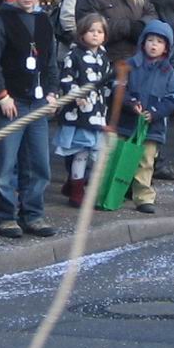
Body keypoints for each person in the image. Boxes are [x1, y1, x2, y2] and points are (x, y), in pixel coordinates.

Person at [0, 0, 59, 238]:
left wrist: (52, 90)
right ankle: (4, 216)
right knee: (5, 164)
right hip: (11, 102)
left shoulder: (43, 20)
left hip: (38, 102)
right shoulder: (2, 20)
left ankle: (33, 214)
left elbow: (51, 60)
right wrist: (2, 94)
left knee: (39, 162)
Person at [117, 20, 174, 213]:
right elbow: (118, 88)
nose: (154, 45)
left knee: (146, 162)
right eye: (150, 40)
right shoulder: (130, 65)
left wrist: (155, 112)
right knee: (120, 158)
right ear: (142, 42)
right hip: (127, 122)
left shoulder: (168, 71)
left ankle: (144, 197)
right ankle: (115, 192)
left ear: (166, 48)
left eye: (159, 42)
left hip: (152, 126)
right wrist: (129, 103)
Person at [53, 13, 112, 207]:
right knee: (80, 152)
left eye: (99, 31)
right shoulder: (74, 54)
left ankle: (75, 182)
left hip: (97, 112)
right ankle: (77, 191)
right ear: (82, 33)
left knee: (94, 153)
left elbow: (106, 81)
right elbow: (66, 78)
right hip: (78, 112)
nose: (95, 35)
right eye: (91, 31)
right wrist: (76, 94)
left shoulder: (103, 56)